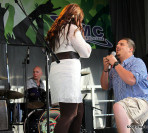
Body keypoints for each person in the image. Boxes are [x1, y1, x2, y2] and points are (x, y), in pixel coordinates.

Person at [46, 3, 92, 133]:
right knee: (69, 114)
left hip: (60, 70)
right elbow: (86, 52)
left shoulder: (57, 30)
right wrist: (86, 44)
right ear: (76, 16)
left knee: (79, 111)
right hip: (67, 72)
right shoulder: (71, 28)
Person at [100, 38, 148, 133]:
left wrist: (115, 64)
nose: (117, 46)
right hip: (126, 110)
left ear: (131, 49)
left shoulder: (137, 62)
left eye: (121, 44)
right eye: (117, 44)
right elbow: (105, 86)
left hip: (142, 102)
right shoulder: (114, 69)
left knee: (118, 107)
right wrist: (105, 70)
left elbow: (131, 80)